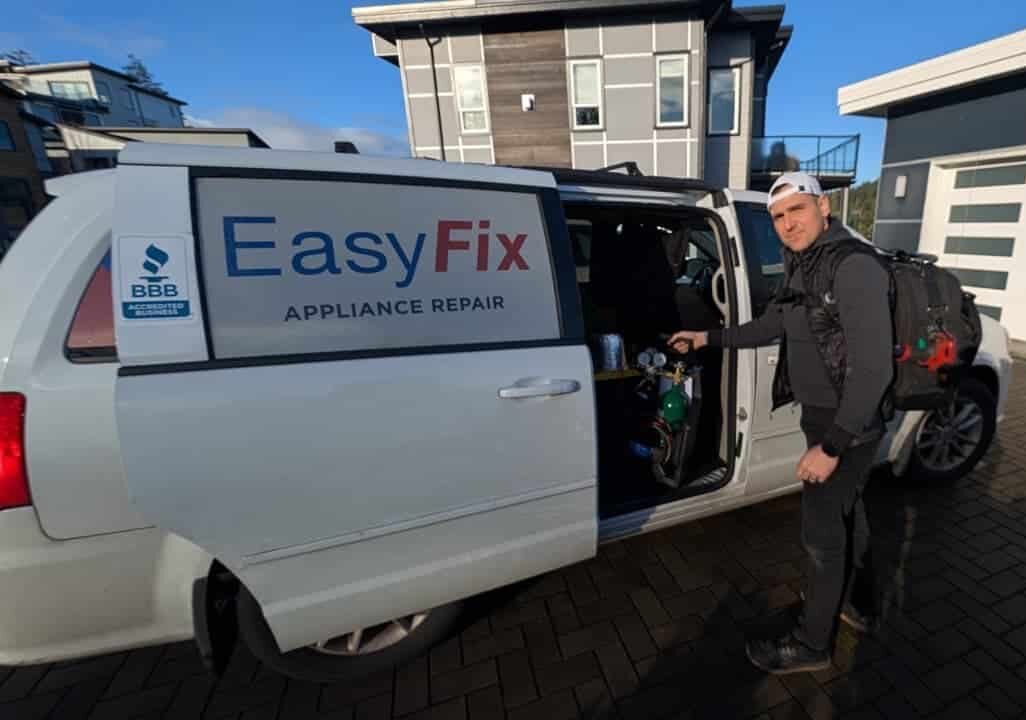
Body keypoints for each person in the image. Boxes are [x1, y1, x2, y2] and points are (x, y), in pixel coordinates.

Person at [669, 172, 893, 674]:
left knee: (820, 535)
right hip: (826, 419)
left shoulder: (853, 266)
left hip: (847, 427)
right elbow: (773, 325)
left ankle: (813, 643)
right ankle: (859, 604)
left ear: (824, 208)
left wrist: (831, 446)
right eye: (778, 216)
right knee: (847, 515)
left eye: (798, 210)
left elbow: (875, 368)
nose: (788, 223)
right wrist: (706, 339)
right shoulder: (803, 263)